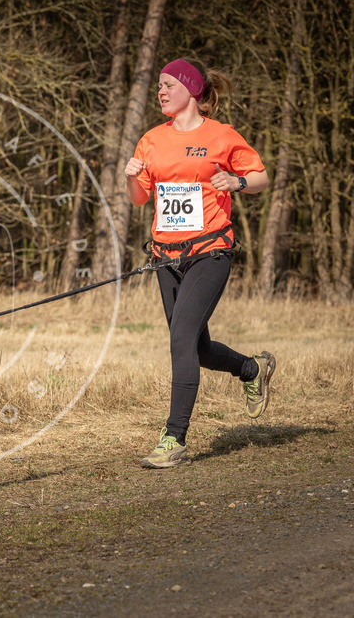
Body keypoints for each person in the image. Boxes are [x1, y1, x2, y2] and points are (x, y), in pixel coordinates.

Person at [124, 56, 276, 468]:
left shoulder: (222, 136)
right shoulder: (151, 139)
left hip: (210, 251)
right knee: (198, 347)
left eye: (168, 84)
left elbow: (261, 178)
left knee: (180, 340)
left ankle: (174, 439)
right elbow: (140, 198)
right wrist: (130, 174)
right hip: (164, 257)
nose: (161, 91)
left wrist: (236, 181)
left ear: (190, 90)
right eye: (159, 85)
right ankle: (250, 368)